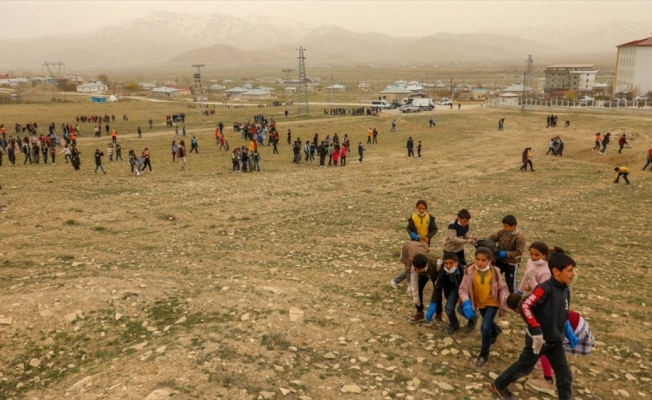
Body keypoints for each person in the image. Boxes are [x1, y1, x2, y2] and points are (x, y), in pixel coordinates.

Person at [489, 251, 577, 400]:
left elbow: (562, 311)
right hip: (538, 340)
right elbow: (525, 306)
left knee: (565, 376)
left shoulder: (565, 289)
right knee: (524, 367)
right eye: (569, 270)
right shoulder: (545, 288)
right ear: (556, 271)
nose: (573, 274)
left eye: (573, 270)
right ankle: (498, 384)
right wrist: (536, 329)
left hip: (555, 341)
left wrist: (566, 329)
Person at [458, 246, 509, 367]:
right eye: (478, 259)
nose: (480, 262)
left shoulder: (495, 271)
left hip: (492, 302)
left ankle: (484, 354)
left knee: (485, 327)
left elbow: (502, 287)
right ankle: (496, 330)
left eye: (483, 260)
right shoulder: (469, 271)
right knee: (488, 321)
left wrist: (503, 296)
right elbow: (463, 289)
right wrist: (466, 302)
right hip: (479, 303)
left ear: (489, 260)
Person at [428, 252, 464, 333]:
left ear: (456, 263)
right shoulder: (442, 271)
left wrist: (463, 296)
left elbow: (469, 286)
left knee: (465, 310)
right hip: (453, 291)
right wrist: (433, 303)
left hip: (465, 291)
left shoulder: (464, 271)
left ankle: (472, 320)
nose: (448, 266)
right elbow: (438, 287)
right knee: (448, 309)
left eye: (451, 263)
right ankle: (454, 324)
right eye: (446, 263)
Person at [489, 215, 526, 294]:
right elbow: (493, 238)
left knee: (511, 284)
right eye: (504, 226)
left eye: (506, 226)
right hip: (500, 261)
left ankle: (515, 300)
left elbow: (519, 252)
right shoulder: (503, 232)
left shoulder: (519, 238)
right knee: (493, 277)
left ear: (513, 226)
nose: (504, 228)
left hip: (512, 264)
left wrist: (506, 254)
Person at [408, 252, 441, 324]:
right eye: (416, 269)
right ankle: (419, 313)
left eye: (418, 269)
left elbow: (440, 277)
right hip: (423, 275)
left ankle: (438, 314)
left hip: (436, 274)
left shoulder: (437, 263)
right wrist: (415, 296)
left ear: (425, 266)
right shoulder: (415, 265)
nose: (416, 270)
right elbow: (414, 280)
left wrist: (437, 285)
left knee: (437, 292)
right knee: (418, 289)